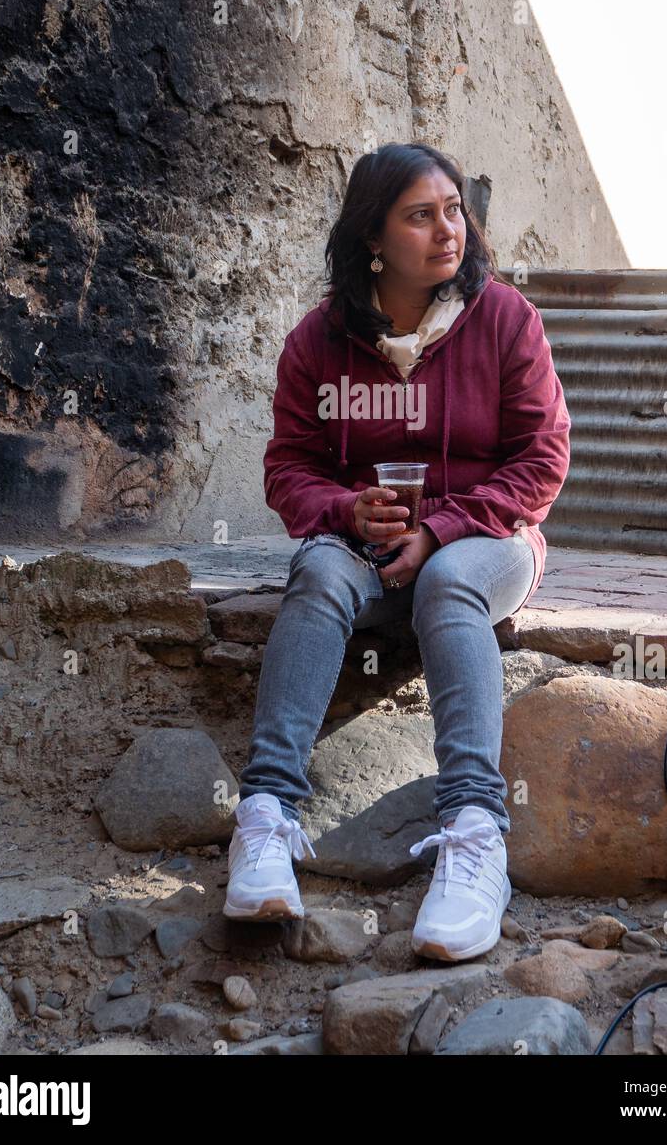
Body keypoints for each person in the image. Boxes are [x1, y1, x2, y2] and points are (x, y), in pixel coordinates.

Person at [223, 141, 571, 961]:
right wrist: (347, 509)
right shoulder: (320, 339)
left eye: (454, 209)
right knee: (316, 570)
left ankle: (476, 831)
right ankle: (266, 818)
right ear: (374, 237)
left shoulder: (505, 320)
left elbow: (543, 457)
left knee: (449, 582)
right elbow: (289, 468)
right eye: (422, 215)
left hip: (488, 538)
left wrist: (442, 530)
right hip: (364, 541)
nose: (448, 230)